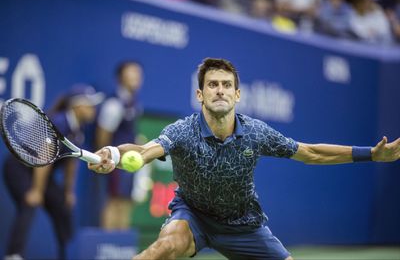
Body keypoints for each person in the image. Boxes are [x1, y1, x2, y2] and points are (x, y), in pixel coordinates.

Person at [88, 58, 400, 260]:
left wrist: (371, 154)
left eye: (226, 85)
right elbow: (144, 152)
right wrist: (114, 154)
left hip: (244, 225)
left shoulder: (256, 133)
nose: (220, 90)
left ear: (237, 95)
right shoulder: (183, 130)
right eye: (212, 84)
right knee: (164, 246)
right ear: (200, 95)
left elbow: (311, 152)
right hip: (193, 216)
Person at [3, 84, 104, 260]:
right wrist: (37, 190)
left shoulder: (77, 130)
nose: (93, 109)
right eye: (89, 104)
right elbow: (44, 159)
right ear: (77, 106)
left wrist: (68, 192)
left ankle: (67, 255)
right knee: (29, 204)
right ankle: (14, 255)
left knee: (63, 208)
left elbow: (72, 164)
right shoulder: (59, 122)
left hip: (40, 171)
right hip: (20, 168)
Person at [95, 61, 143, 230]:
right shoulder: (114, 104)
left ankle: (121, 247)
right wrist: (107, 157)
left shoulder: (133, 102)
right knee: (114, 201)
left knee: (126, 203)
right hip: (114, 161)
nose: (137, 76)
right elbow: (103, 136)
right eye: (132, 72)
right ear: (121, 77)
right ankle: (108, 246)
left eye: (138, 73)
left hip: (128, 161)